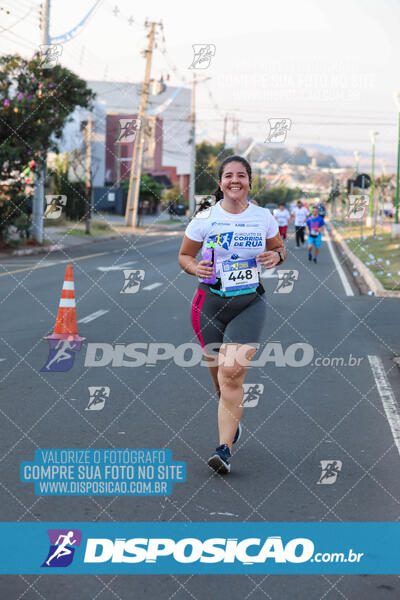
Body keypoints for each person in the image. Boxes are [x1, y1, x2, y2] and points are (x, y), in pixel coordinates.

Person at [178, 156, 286, 474]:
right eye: (228, 175)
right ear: (221, 182)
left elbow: (280, 248)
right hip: (208, 304)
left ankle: (224, 449)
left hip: (248, 303)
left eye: (241, 175)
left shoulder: (263, 217)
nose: (234, 180)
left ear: (249, 181)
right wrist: (195, 267)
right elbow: (184, 255)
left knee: (232, 373)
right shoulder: (205, 218)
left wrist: (275, 256)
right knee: (220, 381)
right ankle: (232, 416)